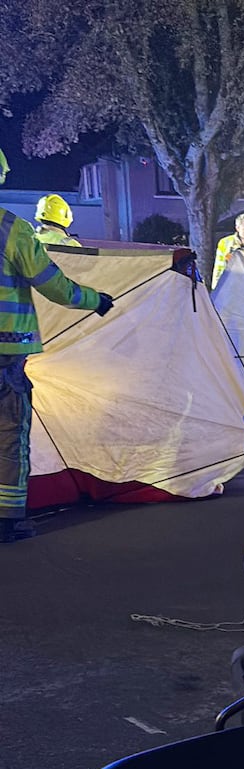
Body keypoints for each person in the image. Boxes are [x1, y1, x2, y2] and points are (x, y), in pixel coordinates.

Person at [0, 148, 113, 543]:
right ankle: (9, 519)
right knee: (10, 434)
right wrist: (95, 300)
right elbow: (53, 284)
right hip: (7, 353)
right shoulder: (11, 230)